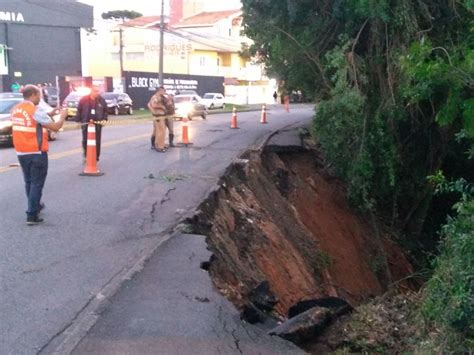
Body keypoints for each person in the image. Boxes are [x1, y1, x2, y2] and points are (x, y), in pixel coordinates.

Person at [11, 85, 67, 225]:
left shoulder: (16, 109)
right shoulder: (34, 109)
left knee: (29, 182)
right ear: (33, 95)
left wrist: (51, 113)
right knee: (37, 183)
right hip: (36, 152)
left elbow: (33, 121)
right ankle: (32, 214)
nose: (40, 98)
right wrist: (62, 116)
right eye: (39, 95)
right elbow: (55, 127)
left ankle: (35, 205)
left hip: (21, 152)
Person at [74, 86, 108, 161]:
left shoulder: (101, 100)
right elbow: (79, 110)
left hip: (97, 124)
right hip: (86, 123)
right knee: (85, 140)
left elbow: (105, 111)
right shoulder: (84, 99)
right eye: (95, 91)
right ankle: (87, 155)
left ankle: (96, 157)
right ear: (91, 91)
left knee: (97, 141)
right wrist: (78, 121)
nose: (97, 93)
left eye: (98, 91)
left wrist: (104, 119)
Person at [147, 86, 168, 152]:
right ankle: (159, 146)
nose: (164, 92)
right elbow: (153, 105)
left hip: (161, 115)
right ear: (160, 90)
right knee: (160, 131)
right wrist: (162, 107)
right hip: (158, 115)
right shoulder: (155, 97)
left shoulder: (161, 97)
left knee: (162, 131)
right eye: (163, 90)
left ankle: (160, 144)